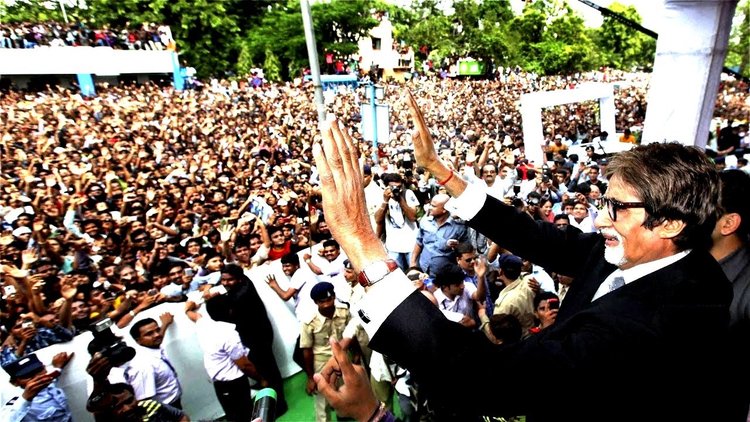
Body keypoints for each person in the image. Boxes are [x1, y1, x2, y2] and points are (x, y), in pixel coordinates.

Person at [309, 92, 740, 421]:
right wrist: (442, 172)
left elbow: (484, 378)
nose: (601, 219)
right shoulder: (655, 256)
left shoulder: (652, 324)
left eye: (617, 208)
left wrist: (363, 245)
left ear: (669, 224)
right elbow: (537, 238)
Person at [184, 300, 268, 422]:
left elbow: (195, 316)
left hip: (220, 385)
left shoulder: (204, 324)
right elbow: (244, 365)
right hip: (234, 384)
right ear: (230, 312)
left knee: (233, 416)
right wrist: (261, 379)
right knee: (246, 416)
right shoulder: (228, 333)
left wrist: (188, 309)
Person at [300, 281, 351, 422]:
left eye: (330, 299)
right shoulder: (308, 321)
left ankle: (344, 415)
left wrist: (357, 354)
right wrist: (310, 378)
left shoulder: (344, 311)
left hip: (343, 357)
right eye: (323, 302)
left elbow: (351, 333)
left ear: (334, 297)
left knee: (346, 389)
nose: (327, 304)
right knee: (322, 398)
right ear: (316, 302)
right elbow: (306, 350)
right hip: (321, 361)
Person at [127, 314, 183, 408]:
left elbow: (158, 338)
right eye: (149, 334)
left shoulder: (154, 348)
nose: (157, 335)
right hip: (163, 411)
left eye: (157, 330)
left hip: (173, 404)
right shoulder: (144, 365)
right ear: (138, 341)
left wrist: (165, 324)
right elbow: (144, 400)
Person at [1, 352, 74, 422]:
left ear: (44, 368)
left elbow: (53, 377)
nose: (37, 378)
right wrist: (25, 399)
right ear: (14, 383)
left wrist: (58, 368)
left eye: (39, 370)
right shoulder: (17, 404)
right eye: (28, 376)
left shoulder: (48, 382)